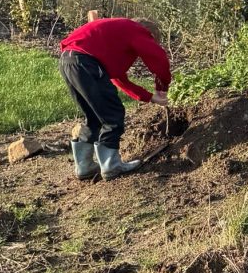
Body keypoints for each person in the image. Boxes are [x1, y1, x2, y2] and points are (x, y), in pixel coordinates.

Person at [58, 15, 171, 180]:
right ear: (149, 34)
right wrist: (162, 88)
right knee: (113, 114)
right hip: (85, 63)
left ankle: (84, 166)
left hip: (68, 61)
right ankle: (111, 165)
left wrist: (150, 97)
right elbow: (158, 59)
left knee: (94, 116)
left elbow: (118, 78)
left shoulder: (117, 33)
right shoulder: (137, 30)